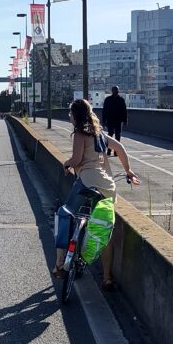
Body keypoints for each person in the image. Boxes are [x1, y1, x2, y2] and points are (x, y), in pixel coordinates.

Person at [54, 98, 140, 289]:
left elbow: (76, 159)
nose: (69, 116)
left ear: (75, 115)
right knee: (103, 230)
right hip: (107, 186)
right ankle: (107, 277)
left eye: (70, 113)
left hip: (87, 182)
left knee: (65, 214)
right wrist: (128, 171)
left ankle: (60, 263)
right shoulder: (99, 134)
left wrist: (66, 164)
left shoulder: (80, 133)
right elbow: (121, 149)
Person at [101, 85, 128, 156]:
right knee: (116, 136)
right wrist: (125, 120)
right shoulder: (121, 99)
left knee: (111, 135)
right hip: (117, 120)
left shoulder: (108, 99)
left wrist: (104, 120)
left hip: (112, 120)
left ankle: (110, 151)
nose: (115, 91)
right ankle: (115, 151)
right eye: (115, 90)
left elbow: (104, 111)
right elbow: (124, 111)